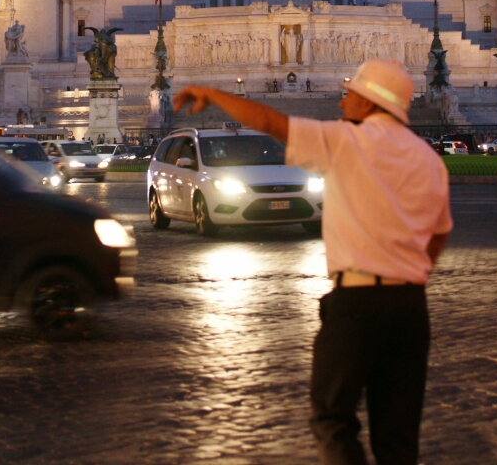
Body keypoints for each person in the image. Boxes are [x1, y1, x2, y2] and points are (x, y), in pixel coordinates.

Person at [174, 59, 451, 465]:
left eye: (351, 94)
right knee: (398, 438)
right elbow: (440, 231)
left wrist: (213, 94)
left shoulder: (346, 141)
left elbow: (271, 122)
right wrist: (413, 271)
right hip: (411, 307)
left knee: (331, 418)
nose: (342, 102)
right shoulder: (428, 158)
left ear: (371, 101)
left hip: (357, 303)